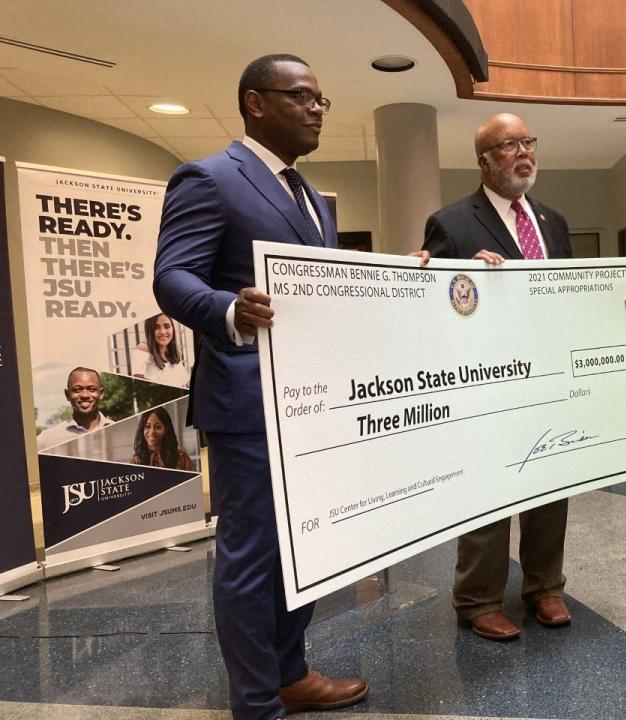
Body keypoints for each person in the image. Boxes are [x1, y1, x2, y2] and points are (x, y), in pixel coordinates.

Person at [153, 54, 376, 720]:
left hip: (311, 402)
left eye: (320, 100)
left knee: (304, 545)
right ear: (255, 102)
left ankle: (289, 673)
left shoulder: (309, 196)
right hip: (246, 403)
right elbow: (173, 277)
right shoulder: (210, 178)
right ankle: (256, 704)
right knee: (252, 558)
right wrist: (228, 310)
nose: (316, 109)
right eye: (301, 96)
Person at [422, 112, 626, 641]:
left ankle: (545, 588)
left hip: (548, 379)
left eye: (528, 142)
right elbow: (433, 308)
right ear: (484, 160)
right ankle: (477, 601)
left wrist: (613, 306)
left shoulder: (552, 222)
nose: (524, 152)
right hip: (488, 383)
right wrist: (464, 278)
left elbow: (566, 296)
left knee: (550, 481)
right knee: (491, 490)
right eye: (508, 145)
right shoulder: (451, 223)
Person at [36, 367, 114, 451]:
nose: (85, 395)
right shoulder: (47, 439)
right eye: (77, 390)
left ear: (101, 393)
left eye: (91, 389)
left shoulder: (119, 431)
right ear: (67, 395)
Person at [133, 313, 190, 388]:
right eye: (156, 327)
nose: (163, 332)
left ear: (172, 328)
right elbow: (138, 385)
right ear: (150, 330)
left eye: (167, 326)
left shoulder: (172, 355)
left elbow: (183, 386)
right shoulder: (143, 348)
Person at [130, 406, 196, 471]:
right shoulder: (136, 460)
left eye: (158, 427)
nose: (152, 432)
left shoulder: (181, 457)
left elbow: (195, 481)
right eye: (147, 426)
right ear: (142, 429)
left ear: (165, 430)